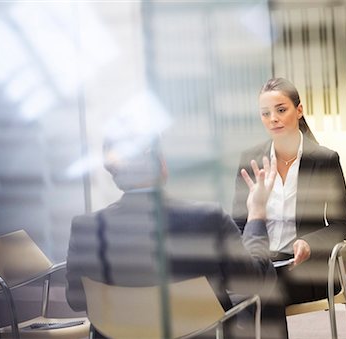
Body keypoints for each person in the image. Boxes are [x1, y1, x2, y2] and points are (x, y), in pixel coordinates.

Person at [66, 131, 278, 338]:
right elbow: (253, 280)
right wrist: (257, 212)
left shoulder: (85, 228)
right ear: (161, 164)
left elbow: (76, 300)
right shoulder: (208, 218)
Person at [232, 77, 346, 338]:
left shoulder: (324, 160)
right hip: (260, 264)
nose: (273, 118)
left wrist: (309, 243)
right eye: (265, 113)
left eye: (281, 109)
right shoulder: (251, 159)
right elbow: (239, 223)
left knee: (258, 290)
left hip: (304, 270)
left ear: (299, 110)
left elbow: (341, 224)